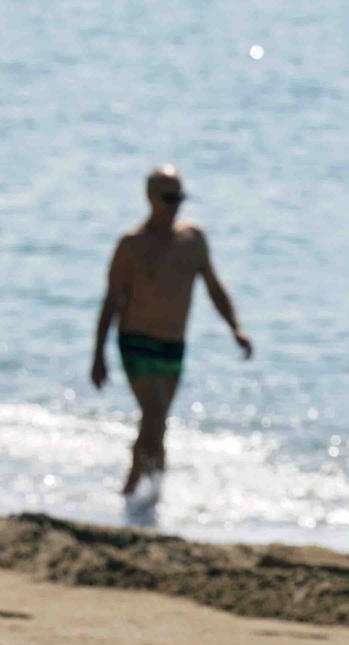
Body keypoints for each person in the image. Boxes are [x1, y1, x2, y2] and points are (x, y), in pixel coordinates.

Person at [91, 165, 253, 497]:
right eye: (168, 198)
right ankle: (144, 492)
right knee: (153, 413)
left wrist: (236, 328)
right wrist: (98, 357)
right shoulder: (131, 245)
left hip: (172, 346)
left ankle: (140, 496)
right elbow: (110, 301)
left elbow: (213, 287)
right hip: (135, 342)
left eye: (179, 198)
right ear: (150, 198)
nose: (175, 205)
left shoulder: (192, 240)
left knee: (158, 423)